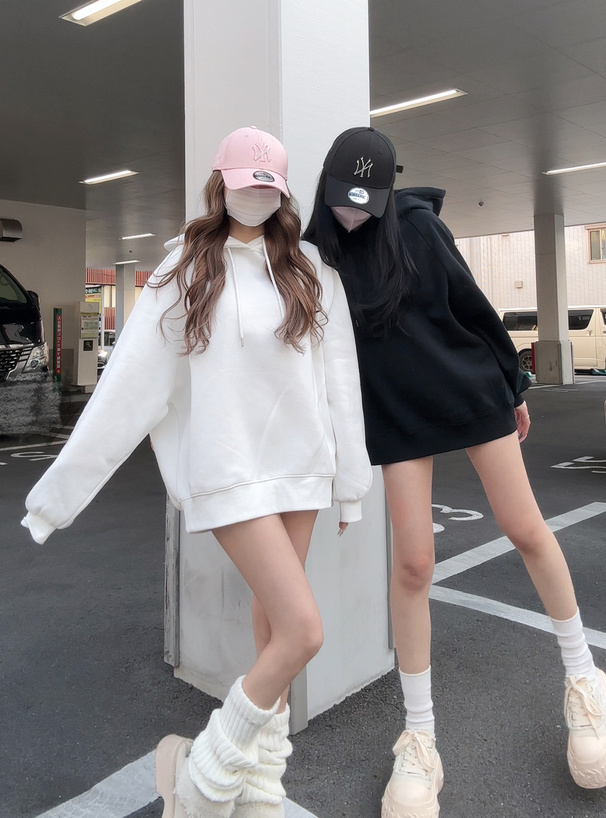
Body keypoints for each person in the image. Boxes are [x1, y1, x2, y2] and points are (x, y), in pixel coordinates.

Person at [22, 126, 372, 818]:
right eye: (244, 186)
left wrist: (351, 484)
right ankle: (202, 778)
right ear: (220, 185)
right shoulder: (181, 271)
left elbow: (341, 381)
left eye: (267, 189)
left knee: (273, 630)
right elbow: (126, 391)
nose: (255, 198)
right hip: (229, 472)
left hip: (301, 471)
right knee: (303, 631)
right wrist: (55, 499)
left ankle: (261, 788)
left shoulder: (311, 270)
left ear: (281, 194)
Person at [304, 126, 606, 818]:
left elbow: (474, 308)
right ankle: (420, 738)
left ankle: (585, 681)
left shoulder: (415, 227)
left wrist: (514, 388)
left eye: (364, 201)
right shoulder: (316, 250)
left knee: (525, 528)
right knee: (413, 564)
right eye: (342, 199)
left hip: (468, 390)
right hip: (396, 412)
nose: (351, 213)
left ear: (385, 193)